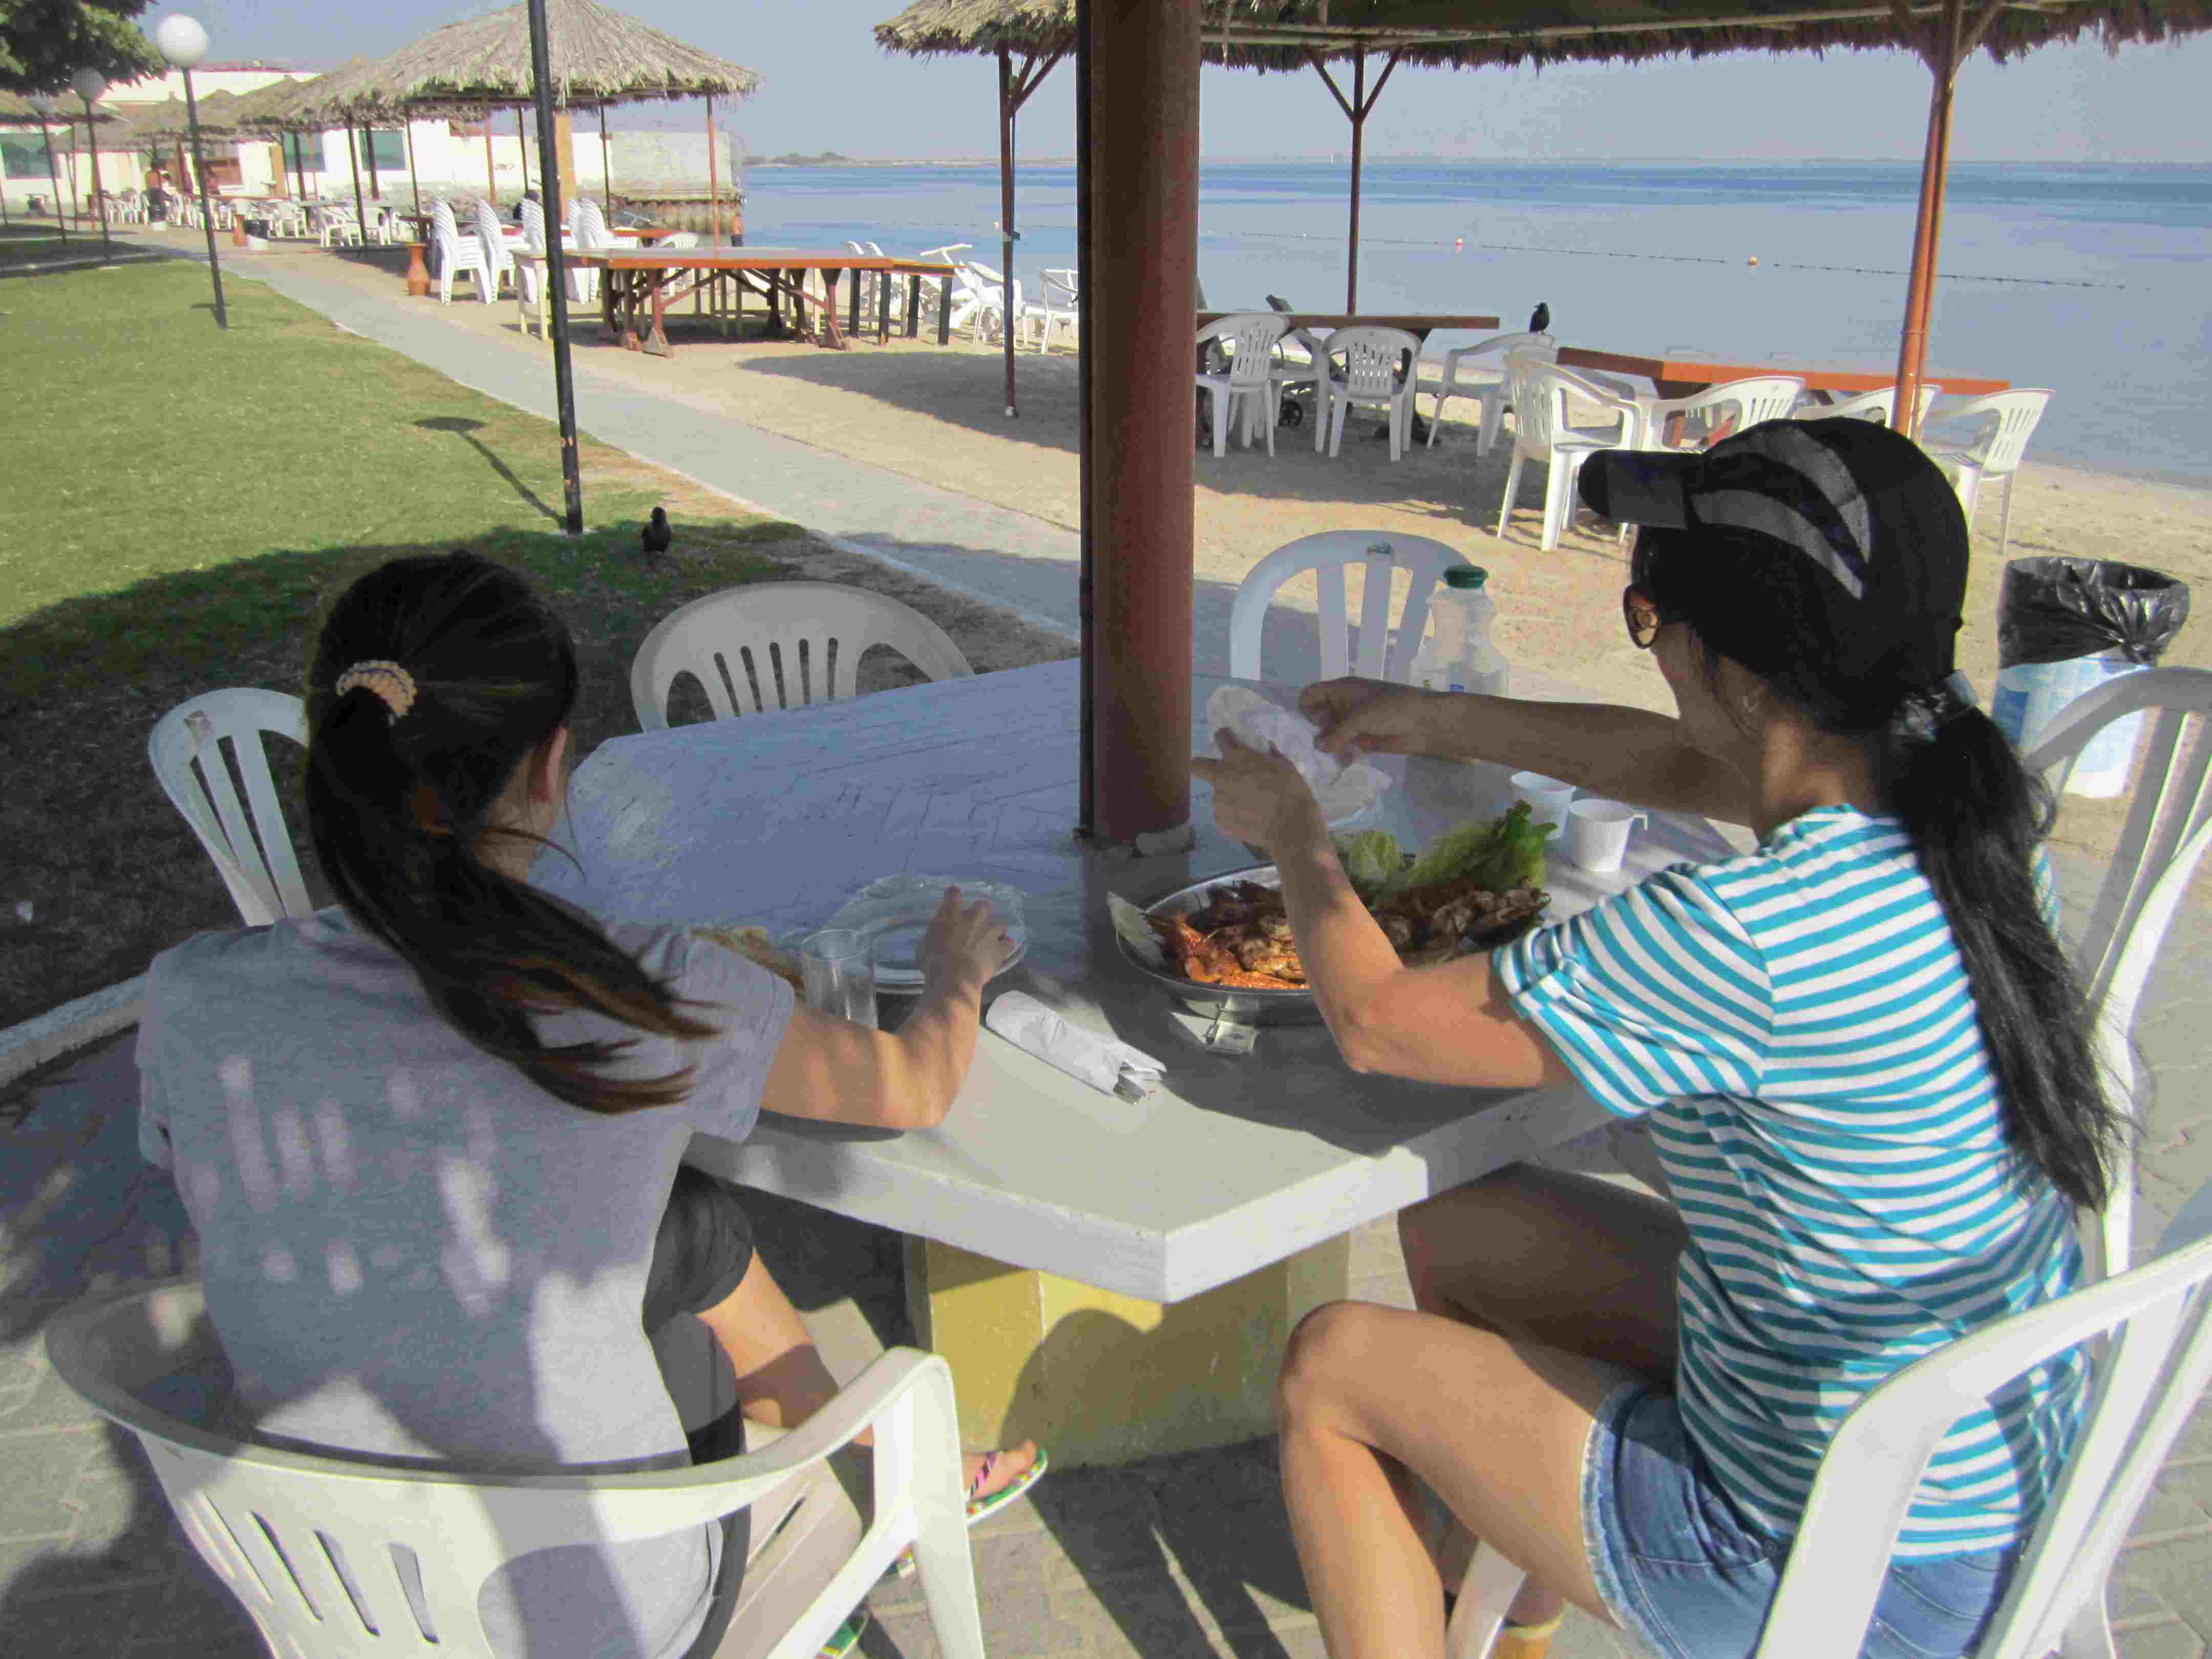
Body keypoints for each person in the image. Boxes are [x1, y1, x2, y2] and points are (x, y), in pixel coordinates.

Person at [1193, 419, 2117, 1659]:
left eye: (1648, 617)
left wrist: (1297, 839)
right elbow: (1683, 766)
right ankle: (1507, 1612)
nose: (1655, 648)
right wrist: (1430, 717)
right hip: (1981, 1468)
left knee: (1330, 1370)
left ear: (1742, 673)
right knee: (1456, 1224)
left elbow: (1378, 1025)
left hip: (1838, 1565)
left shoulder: (1750, 934)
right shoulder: (1958, 804)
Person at [137, 551, 1044, 1659]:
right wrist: (957, 975)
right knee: (727, 1344)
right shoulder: (639, 991)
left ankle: (812, 1426)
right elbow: (912, 1087)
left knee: (690, 1223)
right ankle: (838, 1507)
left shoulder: (191, 994)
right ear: (551, 767)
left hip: (321, 1586)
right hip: (609, 1621)